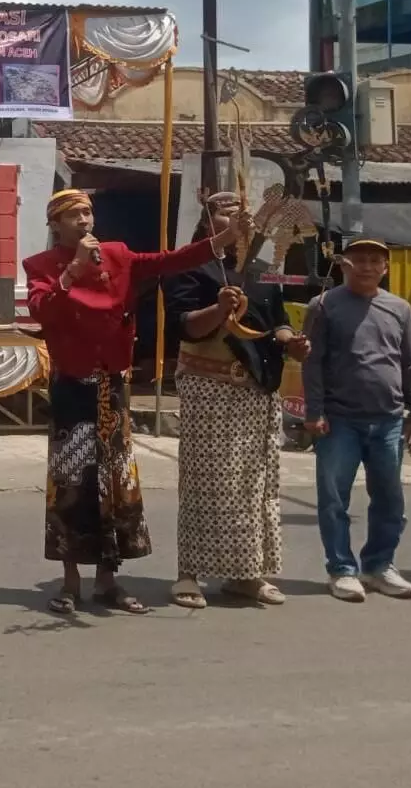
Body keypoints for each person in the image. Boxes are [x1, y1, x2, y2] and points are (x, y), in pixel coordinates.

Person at [24, 188, 247, 616]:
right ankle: (70, 581)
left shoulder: (118, 254)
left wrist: (221, 240)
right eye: (73, 216)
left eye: (87, 212)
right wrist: (71, 270)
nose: (84, 221)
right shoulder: (41, 266)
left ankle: (108, 580)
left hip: (113, 384)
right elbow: (42, 311)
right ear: (56, 225)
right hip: (72, 386)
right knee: (72, 481)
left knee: (116, 482)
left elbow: (168, 261)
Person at [163, 192, 309, 609]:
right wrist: (219, 308)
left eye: (245, 216)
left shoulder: (261, 271)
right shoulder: (188, 266)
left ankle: (247, 575)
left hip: (257, 390)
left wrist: (291, 342)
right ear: (209, 225)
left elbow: (276, 323)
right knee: (205, 484)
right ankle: (188, 572)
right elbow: (185, 327)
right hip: (209, 389)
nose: (242, 222)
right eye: (230, 216)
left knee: (254, 487)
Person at [303, 237, 411, 603]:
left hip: (388, 419)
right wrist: (314, 411)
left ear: (385, 268)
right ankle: (341, 569)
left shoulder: (400, 309)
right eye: (360, 260)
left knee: (390, 498)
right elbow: (313, 363)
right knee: (333, 499)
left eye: (376, 260)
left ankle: (378, 565)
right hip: (338, 419)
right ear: (345, 265)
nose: (368, 266)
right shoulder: (323, 305)